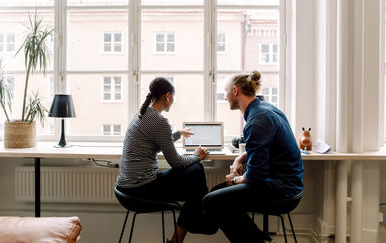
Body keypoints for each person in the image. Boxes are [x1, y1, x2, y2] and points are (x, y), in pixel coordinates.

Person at [202, 71, 304, 243]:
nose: (225, 96)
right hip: (288, 184)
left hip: (281, 190)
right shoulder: (266, 109)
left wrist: (236, 180)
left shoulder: (258, 120)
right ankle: (257, 238)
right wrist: (239, 159)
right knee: (217, 194)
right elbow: (264, 145)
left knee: (212, 201)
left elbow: (256, 177)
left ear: (235, 91)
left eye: (225, 91)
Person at [116, 77, 216, 243]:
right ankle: (193, 224)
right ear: (168, 96)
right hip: (141, 189)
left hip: (126, 187)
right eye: (173, 98)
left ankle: (183, 233)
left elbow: (154, 139)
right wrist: (197, 156)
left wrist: (177, 134)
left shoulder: (142, 113)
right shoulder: (160, 121)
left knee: (195, 185)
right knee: (196, 173)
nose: (173, 101)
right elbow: (176, 162)